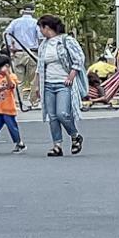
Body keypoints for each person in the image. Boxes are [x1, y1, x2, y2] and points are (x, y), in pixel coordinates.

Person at [37, 13, 87, 155]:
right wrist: (36, 86)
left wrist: (71, 75)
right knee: (52, 116)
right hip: (48, 83)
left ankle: (75, 135)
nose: (40, 31)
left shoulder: (66, 41)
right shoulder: (44, 45)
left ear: (47, 27)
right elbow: (39, 66)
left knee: (62, 113)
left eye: (41, 28)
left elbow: (79, 58)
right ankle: (57, 145)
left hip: (63, 82)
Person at [0, 53, 27, 152]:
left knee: (12, 128)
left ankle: (19, 143)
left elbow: (11, 85)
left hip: (8, 109)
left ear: (7, 66)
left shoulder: (12, 77)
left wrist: (7, 74)